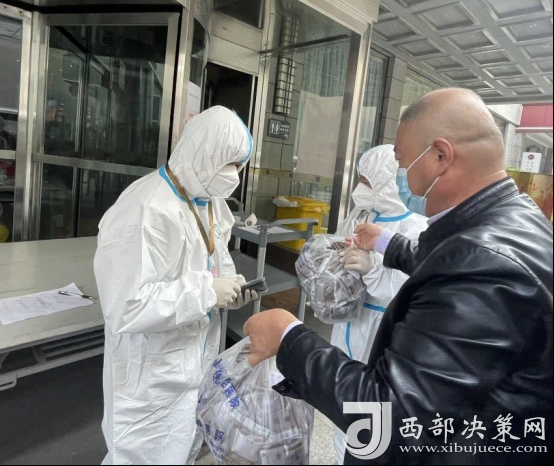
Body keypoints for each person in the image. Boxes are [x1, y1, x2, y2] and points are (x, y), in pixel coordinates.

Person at [244, 89, 553, 465]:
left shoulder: (485, 264)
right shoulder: (513, 218)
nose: (401, 176)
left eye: (402, 161)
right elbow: (449, 261)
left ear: (440, 156)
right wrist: (388, 244)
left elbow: (393, 417)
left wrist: (289, 338)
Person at [94, 106, 257, 465]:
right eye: (230, 164)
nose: (235, 175)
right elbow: (125, 306)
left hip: (194, 363)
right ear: (204, 151)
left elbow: (215, 261)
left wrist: (230, 288)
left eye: (240, 166)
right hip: (149, 377)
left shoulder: (212, 203)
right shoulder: (145, 208)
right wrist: (206, 292)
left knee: (182, 449)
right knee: (140, 456)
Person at [331, 145, 428, 463]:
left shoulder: (415, 227)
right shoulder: (362, 215)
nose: (360, 189)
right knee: (342, 404)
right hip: (349, 321)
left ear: (386, 182)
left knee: (371, 414)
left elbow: (408, 290)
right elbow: (337, 248)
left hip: (381, 330)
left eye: (366, 181)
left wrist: (372, 269)